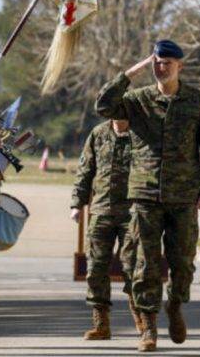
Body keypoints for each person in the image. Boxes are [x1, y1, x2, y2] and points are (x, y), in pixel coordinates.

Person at [96, 39, 200, 352]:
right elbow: (103, 106)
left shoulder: (195, 101)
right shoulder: (137, 100)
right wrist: (130, 73)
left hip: (183, 198)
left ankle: (175, 305)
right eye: (156, 61)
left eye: (166, 62)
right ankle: (148, 328)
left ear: (180, 66)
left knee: (183, 263)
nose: (160, 67)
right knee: (144, 264)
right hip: (145, 196)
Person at [70, 119, 134, 340]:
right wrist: (77, 203)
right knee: (95, 268)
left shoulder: (142, 132)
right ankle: (101, 324)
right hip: (101, 211)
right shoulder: (98, 133)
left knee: (134, 268)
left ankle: (143, 324)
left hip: (132, 212)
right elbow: (85, 170)